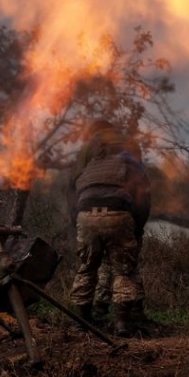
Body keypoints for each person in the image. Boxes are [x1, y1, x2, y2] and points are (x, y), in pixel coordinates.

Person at [69, 121, 151, 337]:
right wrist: (138, 227)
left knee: (87, 267)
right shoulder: (129, 151)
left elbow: (73, 191)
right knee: (123, 270)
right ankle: (122, 324)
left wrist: (76, 221)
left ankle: (82, 322)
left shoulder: (88, 156)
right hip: (118, 212)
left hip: (85, 213)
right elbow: (143, 194)